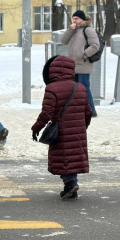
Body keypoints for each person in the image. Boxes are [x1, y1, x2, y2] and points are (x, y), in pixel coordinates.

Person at [31, 55, 92, 199]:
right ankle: (72, 186)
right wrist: (83, 127)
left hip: (61, 131)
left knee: (65, 157)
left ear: (52, 70)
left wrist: (36, 128)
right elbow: (88, 112)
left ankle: (70, 185)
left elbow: (47, 113)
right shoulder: (80, 87)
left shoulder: (52, 88)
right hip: (77, 131)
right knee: (73, 156)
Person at [61, 10, 100, 117]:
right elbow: (63, 41)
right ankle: (77, 110)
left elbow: (95, 45)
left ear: (82, 19)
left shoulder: (88, 30)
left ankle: (91, 110)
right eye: (73, 18)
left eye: (77, 18)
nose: (75, 20)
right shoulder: (74, 30)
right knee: (74, 90)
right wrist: (70, 30)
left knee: (84, 88)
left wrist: (84, 54)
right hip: (73, 65)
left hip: (83, 64)